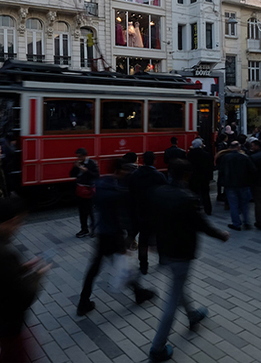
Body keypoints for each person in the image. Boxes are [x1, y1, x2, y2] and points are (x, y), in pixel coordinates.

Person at [148, 159, 230, 362]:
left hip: (165, 249)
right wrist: (221, 234)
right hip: (182, 253)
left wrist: (150, 241)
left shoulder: (158, 192)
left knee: (178, 285)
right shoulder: (188, 197)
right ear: (186, 176)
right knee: (172, 299)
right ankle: (157, 347)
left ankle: (193, 314)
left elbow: (149, 219)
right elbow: (201, 224)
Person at [0, 197, 50, 363]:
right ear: (13, 220)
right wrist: (38, 275)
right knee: (15, 357)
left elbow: (0, 276)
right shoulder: (4, 254)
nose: (19, 228)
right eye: (20, 223)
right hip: (8, 320)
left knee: (10, 354)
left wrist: (21, 267)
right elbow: (23, 297)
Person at [77, 160, 155, 317]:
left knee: (96, 269)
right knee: (123, 265)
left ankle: (83, 302)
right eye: (126, 170)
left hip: (102, 232)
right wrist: (123, 243)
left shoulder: (101, 183)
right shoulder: (116, 192)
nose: (128, 173)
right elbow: (118, 219)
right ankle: (139, 293)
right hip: (112, 234)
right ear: (119, 171)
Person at [126, 151, 167, 274]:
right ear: (154, 161)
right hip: (155, 212)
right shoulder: (159, 176)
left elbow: (130, 194)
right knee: (160, 236)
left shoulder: (135, 175)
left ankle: (143, 264)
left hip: (140, 211)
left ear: (142, 161)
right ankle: (162, 259)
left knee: (143, 239)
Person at [217, 141, 256, 231]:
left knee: (233, 204)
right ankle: (246, 222)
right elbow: (252, 170)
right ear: (238, 147)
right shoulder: (244, 157)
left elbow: (221, 171)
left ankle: (236, 224)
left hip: (230, 184)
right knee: (245, 204)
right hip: (244, 184)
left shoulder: (225, 158)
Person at [70, 148, 99, 238]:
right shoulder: (78, 164)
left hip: (89, 189)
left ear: (84, 156)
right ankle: (84, 229)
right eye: (77, 156)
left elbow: (96, 175)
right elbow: (71, 174)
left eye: (79, 156)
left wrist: (86, 171)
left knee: (90, 211)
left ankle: (94, 229)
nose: (78, 158)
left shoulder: (92, 163)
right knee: (82, 211)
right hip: (80, 189)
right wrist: (75, 167)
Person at [187, 138, 214, 215]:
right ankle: (208, 210)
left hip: (193, 177)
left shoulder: (190, 155)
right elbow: (210, 167)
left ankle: (195, 208)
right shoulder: (206, 154)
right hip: (204, 177)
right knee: (205, 194)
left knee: (194, 193)